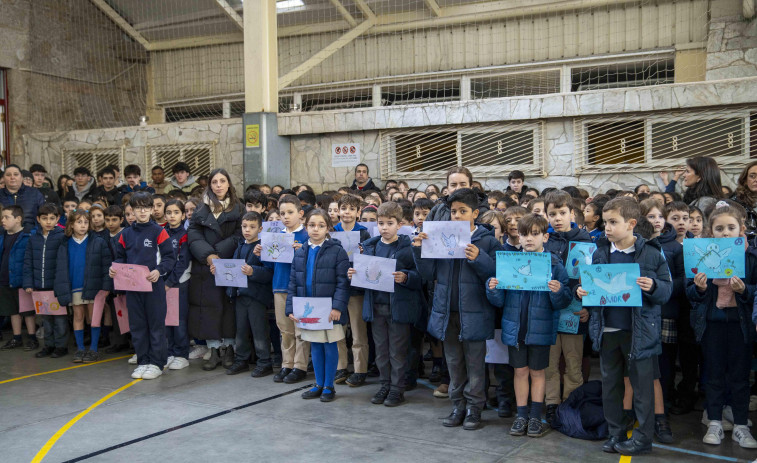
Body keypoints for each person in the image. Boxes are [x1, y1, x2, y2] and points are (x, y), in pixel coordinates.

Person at [578, 197, 672, 456]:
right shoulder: (600, 253)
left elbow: (666, 290)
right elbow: (592, 290)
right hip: (608, 331)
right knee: (611, 386)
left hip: (639, 333)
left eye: (613, 222)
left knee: (642, 389)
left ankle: (642, 439)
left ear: (631, 224)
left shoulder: (651, 253)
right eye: (605, 222)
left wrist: (653, 286)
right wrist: (582, 291)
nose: (606, 227)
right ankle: (615, 433)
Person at [412, 188, 502, 430]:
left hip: (474, 313)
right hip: (446, 312)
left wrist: (479, 258)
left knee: (475, 362)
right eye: (453, 212)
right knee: (453, 362)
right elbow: (428, 274)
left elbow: (497, 276)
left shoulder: (488, 241)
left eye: (463, 211)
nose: (457, 216)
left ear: (475, 213)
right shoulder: (441, 237)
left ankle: (475, 409)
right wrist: (419, 250)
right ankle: (458, 405)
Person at [486, 213, 572, 437]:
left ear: (545, 236)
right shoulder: (509, 263)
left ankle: (535, 416)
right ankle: (521, 415)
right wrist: (493, 287)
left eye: (535, 234)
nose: (528, 239)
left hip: (540, 330)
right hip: (515, 329)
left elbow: (564, 300)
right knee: (520, 371)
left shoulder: (554, 264)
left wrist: (558, 291)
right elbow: (499, 301)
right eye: (524, 234)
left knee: (537, 372)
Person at [689, 201, 757, 448]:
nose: (725, 233)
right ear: (711, 232)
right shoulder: (701, 254)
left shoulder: (751, 257)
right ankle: (715, 421)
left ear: (741, 229)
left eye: (731, 227)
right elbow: (690, 293)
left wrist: (745, 290)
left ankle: (740, 424)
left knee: (740, 377)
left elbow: (756, 292)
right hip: (712, 325)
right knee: (714, 375)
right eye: (719, 229)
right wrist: (699, 287)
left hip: (740, 327)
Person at [349, 202, 422, 406]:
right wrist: (353, 274)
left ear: (399, 225)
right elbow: (362, 275)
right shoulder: (371, 246)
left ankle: (397, 389)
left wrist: (405, 277)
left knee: (397, 352)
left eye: (390, 223)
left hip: (398, 308)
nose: (384, 227)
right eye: (381, 223)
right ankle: (384, 385)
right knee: (381, 351)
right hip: (376, 307)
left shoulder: (408, 248)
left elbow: (420, 277)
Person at [287, 209, 350, 402]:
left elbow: (342, 282)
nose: (316, 229)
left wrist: (337, 307)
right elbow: (293, 282)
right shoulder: (300, 252)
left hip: (329, 310)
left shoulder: (337, 251)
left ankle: (329, 386)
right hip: (309, 309)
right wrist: (291, 308)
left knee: (330, 345)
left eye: (321, 226)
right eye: (312, 225)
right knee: (315, 345)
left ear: (328, 228)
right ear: (306, 226)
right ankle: (318, 383)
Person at [111, 192, 175, 379]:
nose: (142, 211)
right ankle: (143, 361)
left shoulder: (159, 232)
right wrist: (114, 270)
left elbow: (170, 258)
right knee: (137, 326)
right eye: (137, 208)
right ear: (131, 210)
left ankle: (157, 363)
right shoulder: (126, 234)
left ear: (152, 209)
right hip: (133, 288)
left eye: (146, 207)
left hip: (154, 287)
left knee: (156, 326)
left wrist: (159, 271)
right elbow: (120, 258)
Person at [542, 190, 592, 425]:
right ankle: (551, 404)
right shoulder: (545, 241)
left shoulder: (586, 241)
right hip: (549, 313)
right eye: (552, 214)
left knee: (573, 363)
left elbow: (591, 279)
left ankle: (572, 403)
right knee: (550, 364)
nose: (557, 218)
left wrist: (588, 308)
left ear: (572, 213)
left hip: (575, 313)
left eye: (562, 213)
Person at [187, 169, 243, 371]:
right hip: (206, 267)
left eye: (222, 181)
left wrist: (219, 256)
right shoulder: (200, 210)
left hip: (228, 265)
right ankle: (214, 349)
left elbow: (240, 235)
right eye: (214, 182)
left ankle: (229, 348)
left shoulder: (239, 208)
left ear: (229, 184)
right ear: (209, 185)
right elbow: (193, 236)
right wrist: (210, 257)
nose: (218, 185)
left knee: (228, 308)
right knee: (208, 308)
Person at [256, 194, 310, 383]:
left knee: (300, 329)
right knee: (285, 330)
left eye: (290, 212)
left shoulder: (307, 236)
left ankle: (300, 366)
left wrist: (301, 251)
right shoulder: (276, 237)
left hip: (300, 288)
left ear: (300, 213)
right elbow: (271, 266)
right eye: (282, 213)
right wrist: (261, 254)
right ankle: (287, 364)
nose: (285, 217)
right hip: (279, 286)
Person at [54, 209, 112, 363]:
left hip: (94, 286)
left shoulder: (98, 241)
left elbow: (107, 266)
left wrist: (106, 287)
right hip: (74, 286)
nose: (83, 225)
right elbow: (60, 267)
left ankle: (93, 349)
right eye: (79, 222)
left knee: (94, 318)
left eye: (86, 222)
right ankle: (80, 349)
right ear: (71, 224)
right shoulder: (64, 243)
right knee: (78, 316)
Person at [225, 211, 274, 377]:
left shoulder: (262, 248)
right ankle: (241, 360)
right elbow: (232, 269)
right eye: (245, 226)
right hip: (240, 296)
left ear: (260, 229)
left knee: (259, 331)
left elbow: (269, 272)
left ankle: (264, 361)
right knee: (241, 331)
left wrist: (253, 271)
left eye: (252, 227)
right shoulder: (239, 246)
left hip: (256, 297)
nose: (247, 230)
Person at [333, 194, 372, 386]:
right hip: (337, 287)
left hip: (356, 288)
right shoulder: (332, 231)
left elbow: (371, 260)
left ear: (358, 212)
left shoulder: (364, 233)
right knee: (337, 329)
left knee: (358, 330)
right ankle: (341, 366)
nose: (346, 212)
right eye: (343, 208)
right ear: (338, 211)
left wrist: (365, 254)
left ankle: (360, 369)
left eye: (351, 209)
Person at [24, 203, 67, 357]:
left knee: (60, 319)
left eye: (52, 218)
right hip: (40, 287)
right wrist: (29, 283)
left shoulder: (62, 236)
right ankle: (48, 345)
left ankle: (61, 346)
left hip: (56, 286)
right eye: (44, 218)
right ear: (38, 219)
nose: (48, 222)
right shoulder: (33, 238)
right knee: (46, 319)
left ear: (58, 219)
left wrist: (61, 284)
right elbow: (28, 261)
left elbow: (63, 263)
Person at [0, 205, 34, 350]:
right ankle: (17, 337)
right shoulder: (2, 237)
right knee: (12, 310)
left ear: (18, 219)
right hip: (5, 279)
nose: (2, 220)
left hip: (21, 280)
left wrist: (29, 281)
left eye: (6, 217)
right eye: (2, 217)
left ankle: (32, 338)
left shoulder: (27, 238)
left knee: (27, 311)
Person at [163, 199, 191, 371]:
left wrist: (171, 281)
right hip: (163, 282)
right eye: (169, 212)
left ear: (182, 215)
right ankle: (170, 352)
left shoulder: (185, 235)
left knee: (179, 320)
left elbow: (183, 262)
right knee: (167, 320)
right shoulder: (162, 233)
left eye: (176, 212)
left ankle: (182, 354)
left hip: (179, 283)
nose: (172, 216)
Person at [0, 165, 45, 232]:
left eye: (16, 174)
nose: (12, 177)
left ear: (21, 177)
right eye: (8, 175)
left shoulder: (34, 193)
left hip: (29, 235)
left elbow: (44, 214)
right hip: (3, 236)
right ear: (3, 178)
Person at [731, 161, 757, 241]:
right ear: (745, 180)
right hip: (745, 247)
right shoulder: (735, 203)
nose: (756, 180)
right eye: (752, 176)